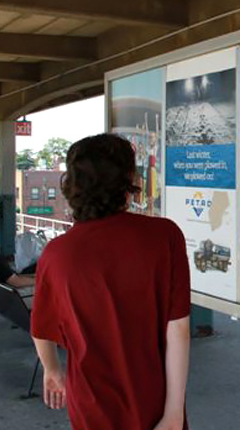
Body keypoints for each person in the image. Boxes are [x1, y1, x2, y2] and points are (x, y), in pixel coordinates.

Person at [30, 133, 191, 430]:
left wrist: (52, 370)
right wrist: (173, 414)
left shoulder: (57, 254)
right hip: (153, 400)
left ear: (73, 184)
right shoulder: (165, 236)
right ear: (128, 179)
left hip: (90, 404)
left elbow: (41, 330)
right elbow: (178, 329)